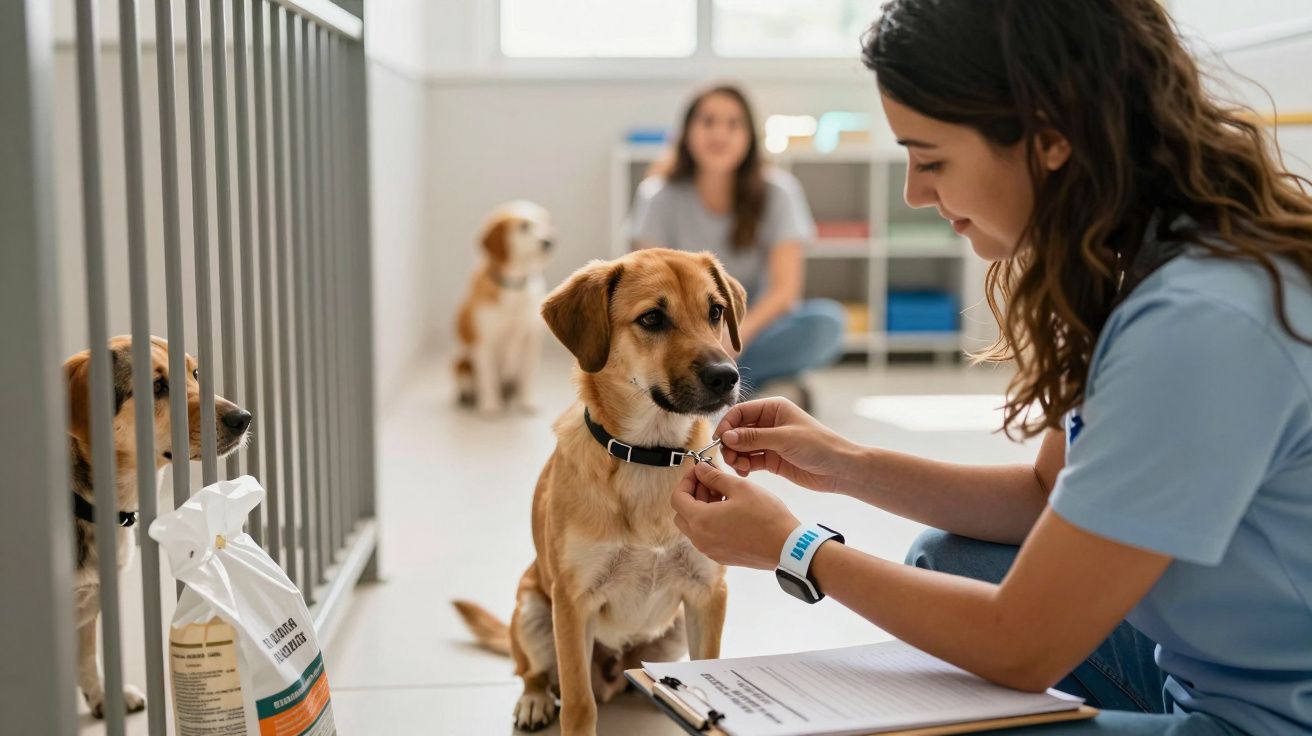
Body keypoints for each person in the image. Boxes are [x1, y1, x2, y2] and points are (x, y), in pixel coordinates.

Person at [669, 1, 1312, 734]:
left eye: (931, 159)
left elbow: (1023, 644)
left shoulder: (1197, 325)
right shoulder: (1140, 263)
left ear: (1050, 137)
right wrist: (841, 461)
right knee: (951, 560)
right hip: (1200, 666)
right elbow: (1046, 494)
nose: (915, 192)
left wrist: (796, 548)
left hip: (1268, 719)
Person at [628, 84, 846, 410]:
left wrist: (733, 337)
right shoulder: (658, 195)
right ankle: (756, 389)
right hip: (685, 331)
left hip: (755, 325)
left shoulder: (779, 192)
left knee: (827, 324)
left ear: (749, 136)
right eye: (708, 121)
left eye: (733, 123)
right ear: (687, 132)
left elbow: (784, 292)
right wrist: (703, 340)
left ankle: (719, 383)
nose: (720, 134)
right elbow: (648, 284)